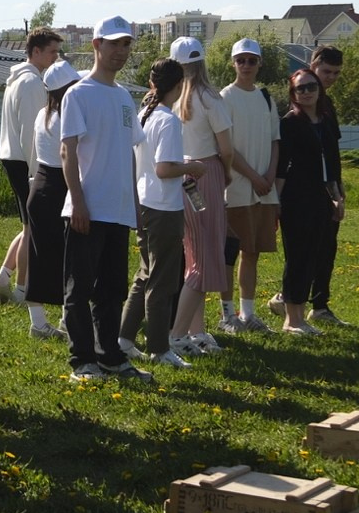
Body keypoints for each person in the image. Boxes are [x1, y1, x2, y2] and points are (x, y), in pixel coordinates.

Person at [61, 16, 142, 382]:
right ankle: (83, 360)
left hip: (118, 209)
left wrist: (134, 206)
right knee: (80, 288)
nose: (120, 51)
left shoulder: (124, 96)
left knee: (112, 290)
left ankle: (110, 355)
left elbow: (128, 152)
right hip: (87, 209)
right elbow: (68, 151)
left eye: (125, 44)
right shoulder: (78, 93)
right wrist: (77, 201)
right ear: (96, 45)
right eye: (113, 44)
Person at [120, 58, 204, 369]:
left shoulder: (145, 114)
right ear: (179, 86)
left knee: (144, 274)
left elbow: (151, 162)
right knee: (162, 280)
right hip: (164, 207)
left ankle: (125, 339)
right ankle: (159, 347)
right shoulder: (168, 120)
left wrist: (179, 161)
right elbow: (164, 169)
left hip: (144, 202)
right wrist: (192, 166)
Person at [167, 38, 240, 356]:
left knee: (194, 255)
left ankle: (196, 331)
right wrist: (226, 173)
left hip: (181, 177)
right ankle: (178, 334)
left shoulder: (172, 99)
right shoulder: (210, 98)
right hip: (205, 174)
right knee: (206, 258)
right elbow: (226, 148)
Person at [0, 27, 62, 307]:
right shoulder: (31, 83)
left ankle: (3, 280)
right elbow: (33, 133)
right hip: (25, 160)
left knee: (28, 225)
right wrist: (36, 173)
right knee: (33, 228)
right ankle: (20, 291)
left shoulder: (19, 79)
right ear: (36, 52)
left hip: (13, 156)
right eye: (52, 52)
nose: (56, 57)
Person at [219, 39, 280, 333]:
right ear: (233, 63)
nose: (246, 65)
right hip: (237, 188)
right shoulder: (225, 98)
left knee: (252, 252)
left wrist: (268, 175)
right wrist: (254, 177)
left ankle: (248, 313)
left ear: (259, 64)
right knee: (231, 251)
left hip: (264, 190)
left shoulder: (266, 98)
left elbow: (275, 142)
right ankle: (227, 314)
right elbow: (226, 147)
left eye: (251, 60)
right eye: (241, 60)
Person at [276, 68, 339, 336]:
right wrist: (274, 203)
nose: (307, 92)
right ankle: (291, 320)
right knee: (298, 257)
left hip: (321, 197)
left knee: (314, 255)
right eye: (300, 89)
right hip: (295, 198)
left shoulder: (324, 121)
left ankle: (301, 317)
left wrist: (337, 196)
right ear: (293, 94)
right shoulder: (289, 123)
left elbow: (332, 163)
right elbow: (280, 166)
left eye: (311, 87)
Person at [22, 58, 79, 340]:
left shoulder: (43, 114)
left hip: (41, 185)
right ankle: (66, 320)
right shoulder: (66, 117)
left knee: (40, 255)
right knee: (68, 257)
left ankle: (40, 322)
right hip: (59, 186)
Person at [306, 43, 350, 325]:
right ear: (313, 67)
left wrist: (338, 186)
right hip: (308, 187)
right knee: (309, 249)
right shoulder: (303, 99)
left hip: (329, 185)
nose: (331, 77)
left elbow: (332, 150)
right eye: (326, 71)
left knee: (326, 249)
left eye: (335, 73)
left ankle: (320, 305)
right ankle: (288, 299)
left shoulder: (327, 103)